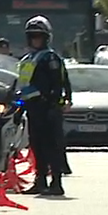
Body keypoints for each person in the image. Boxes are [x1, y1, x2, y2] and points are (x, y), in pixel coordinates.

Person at [17, 16, 71, 195]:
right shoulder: (27, 59)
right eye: (33, 36)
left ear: (46, 38)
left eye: (39, 36)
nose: (36, 40)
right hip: (33, 110)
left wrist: (55, 104)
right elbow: (22, 84)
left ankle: (56, 183)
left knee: (52, 146)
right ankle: (40, 181)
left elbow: (60, 83)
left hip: (48, 109)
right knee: (36, 146)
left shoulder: (50, 58)